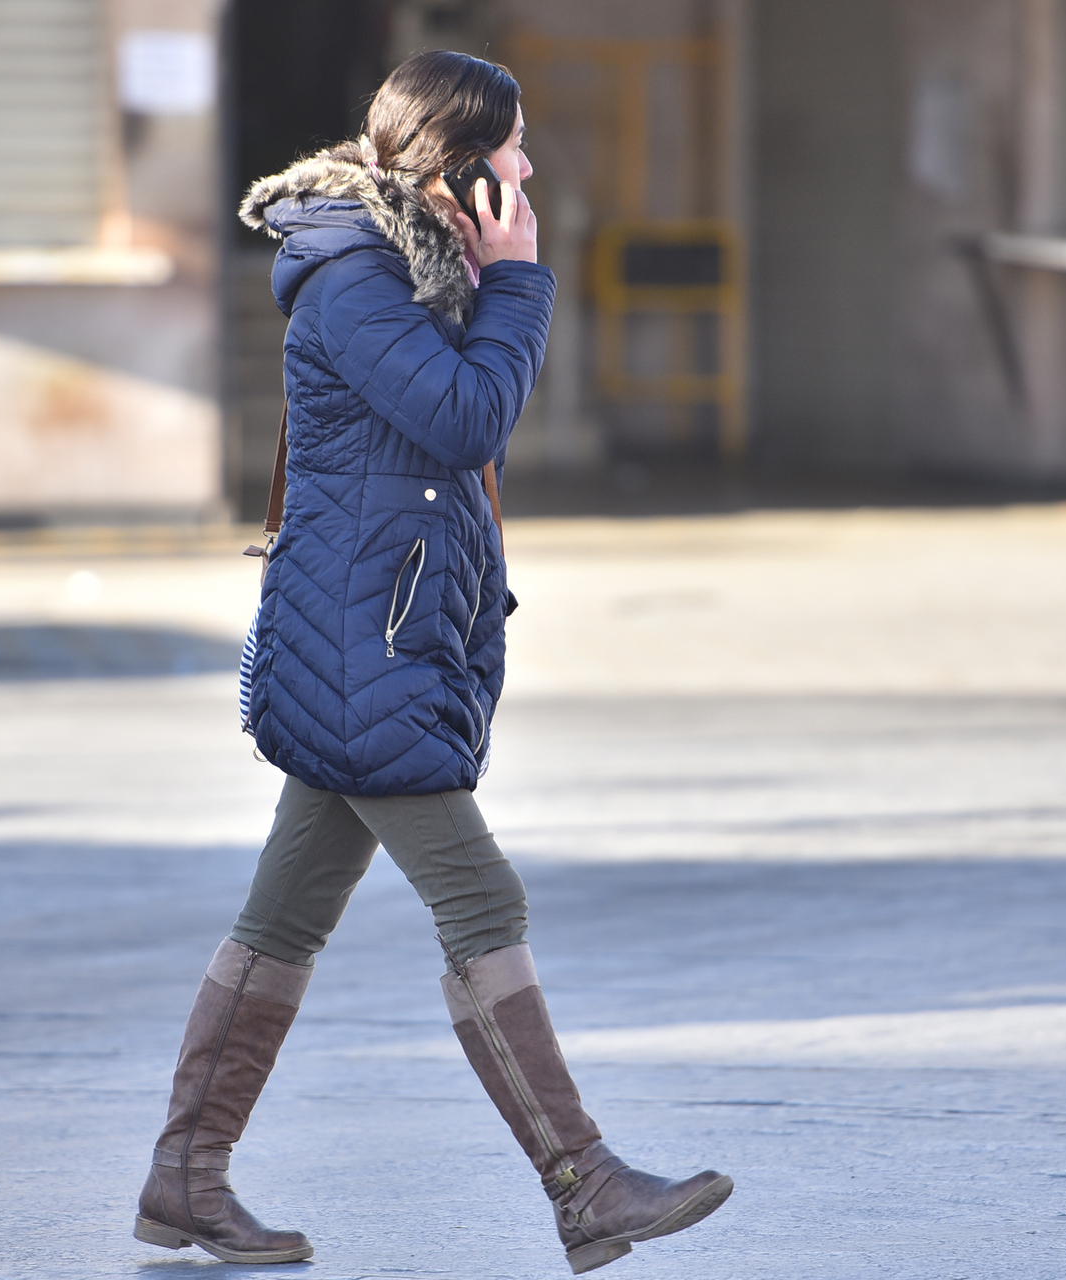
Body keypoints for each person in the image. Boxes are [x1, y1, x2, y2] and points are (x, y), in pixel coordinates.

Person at [131, 50, 733, 1276]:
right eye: (507, 149)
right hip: (369, 641)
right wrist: (518, 284)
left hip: (383, 630)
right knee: (483, 903)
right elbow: (466, 418)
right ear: (457, 171)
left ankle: (185, 1177)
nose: (524, 167)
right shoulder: (356, 275)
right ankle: (586, 1184)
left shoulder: (409, 270)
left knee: (285, 914)